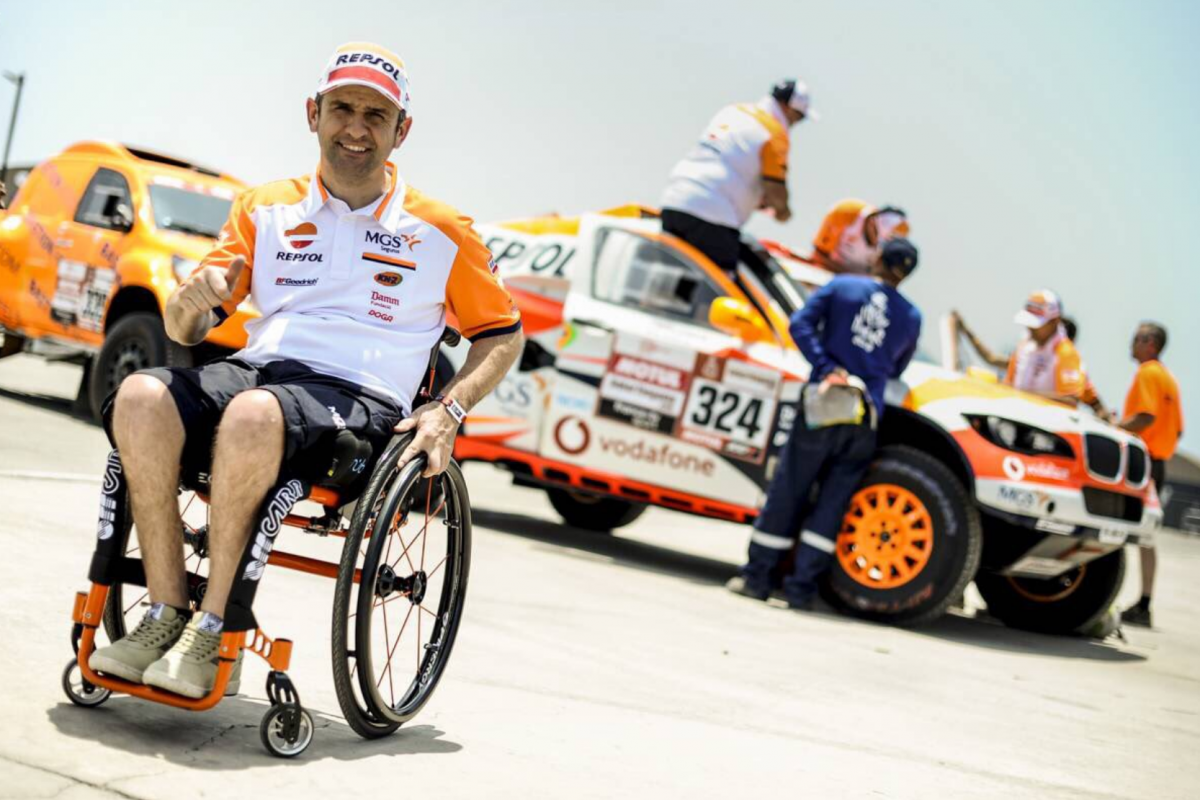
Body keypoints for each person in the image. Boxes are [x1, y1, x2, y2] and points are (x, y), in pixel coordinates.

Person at [87, 42, 524, 698]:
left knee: (253, 413)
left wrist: (448, 411)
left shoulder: (441, 231)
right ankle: (165, 613)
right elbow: (184, 331)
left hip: (362, 397)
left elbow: (504, 336)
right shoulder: (263, 207)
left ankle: (213, 630)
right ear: (313, 114)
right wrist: (188, 302)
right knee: (142, 395)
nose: (356, 128)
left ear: (401, 130)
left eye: (376, 115)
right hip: (261, 370)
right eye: (342, 108)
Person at [727, 238, 922, 609]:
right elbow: (897, 367)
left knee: (790, 489)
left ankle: (757, 578)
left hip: (825, 403)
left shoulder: (843, 286)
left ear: (878, 258)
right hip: (865, 413)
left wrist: (827, 367)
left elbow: (800, 325)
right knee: (833, 501)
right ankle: (801, 590)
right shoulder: (911, 316)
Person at [660, 78, 816, 275]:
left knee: (672, 278)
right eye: (799, 117)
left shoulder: (733, 111)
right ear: (787, 108)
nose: (795, 124)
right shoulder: (775, 132)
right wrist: (783, 211)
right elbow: (776, 191)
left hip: (674, 199)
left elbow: (729, 161)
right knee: (722, 283)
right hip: (712, 214)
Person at [1117, 322, 1183, 628]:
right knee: (1146, 534)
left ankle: (1103, 594)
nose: (1131, 343)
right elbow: (1178, 429)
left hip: (1141, 461)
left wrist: (1113, 427)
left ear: (1151, 344)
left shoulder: (1147, 373)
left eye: (1137, 338)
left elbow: (1145, 416)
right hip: (1159, 463)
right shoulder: (1169, 379)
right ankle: (1144, 603)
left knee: (1113, 525)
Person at [954, 290, 1085, 405]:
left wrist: (1020, 394)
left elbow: (1073, 399)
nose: (1031, 330)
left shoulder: (1067, 358)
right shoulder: (1028, 354)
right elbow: (992, 360)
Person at [809, 198, 910, 274]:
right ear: (872, 220)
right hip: (824, 273)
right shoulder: (847, 212)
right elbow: (818, 254)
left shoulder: (893, 244)